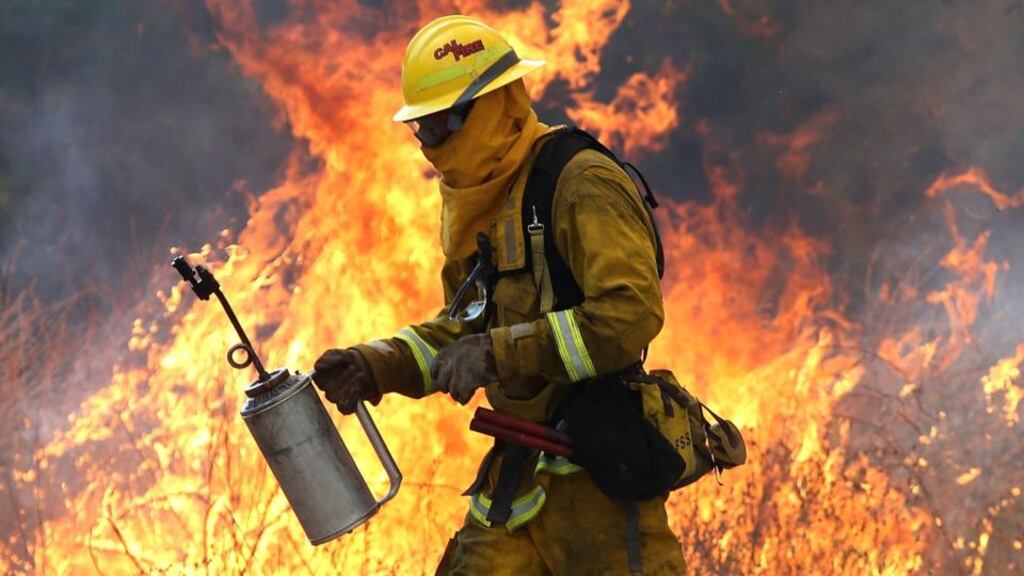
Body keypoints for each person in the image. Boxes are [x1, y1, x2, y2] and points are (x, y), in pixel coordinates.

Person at [313, 14, 687, 575]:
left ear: (494, 107)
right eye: (423, 130)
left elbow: (628, 317)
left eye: (443, 125)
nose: (430, 147)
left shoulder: (581, 183)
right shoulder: (483, 201)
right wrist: (376, 365)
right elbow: (464, 325)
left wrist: (497, 353)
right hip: (516, 483)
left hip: (598, 481)